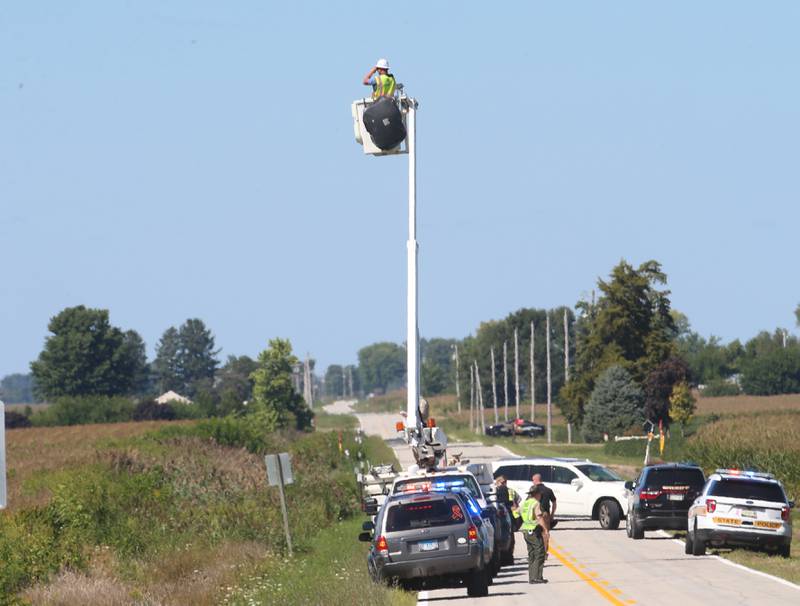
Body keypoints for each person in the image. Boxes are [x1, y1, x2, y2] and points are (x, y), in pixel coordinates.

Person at [520, 484, 547, 584]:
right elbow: (539, 517)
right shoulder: (536, 503)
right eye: (540, 494)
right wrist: (545, 529)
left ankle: (532, 577)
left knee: (531, 554)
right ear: (537, 494)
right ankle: (537, 577)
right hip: (533, 530)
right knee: (539, 552)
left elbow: (516, 512)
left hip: (525, 530)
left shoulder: (526, 503)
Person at [531, 472, 557, 556]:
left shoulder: (533, 490)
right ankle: (544, 552)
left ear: (536, 480)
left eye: (533, 480)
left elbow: (529, 502)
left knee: (534, 534)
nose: (532, 482)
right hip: (546, 514)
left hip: (536, 514)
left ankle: (536, 551)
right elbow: (554, 502)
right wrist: (552, 514)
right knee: (545, 533)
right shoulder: (548, 490)